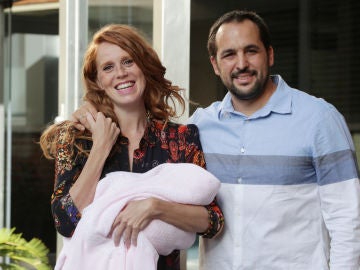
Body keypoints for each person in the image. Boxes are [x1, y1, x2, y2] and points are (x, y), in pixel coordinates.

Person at [72, 10, 360, 269]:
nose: (242, 64)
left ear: (269, 55)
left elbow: (348, 219)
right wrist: (91, 112)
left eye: (251, 51)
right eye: (229, 54)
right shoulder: (200, 127)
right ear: (214, 64)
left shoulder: (318, 119)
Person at [40, 24, 223, 270]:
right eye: (108, 67)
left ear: (143, 67)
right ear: (97, 80)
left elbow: (213, 221)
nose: (120, 73)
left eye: (128, 61)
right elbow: (65, 221)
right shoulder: (76, 138)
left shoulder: (181, 138)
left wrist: (155, 208)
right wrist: (101, 147)